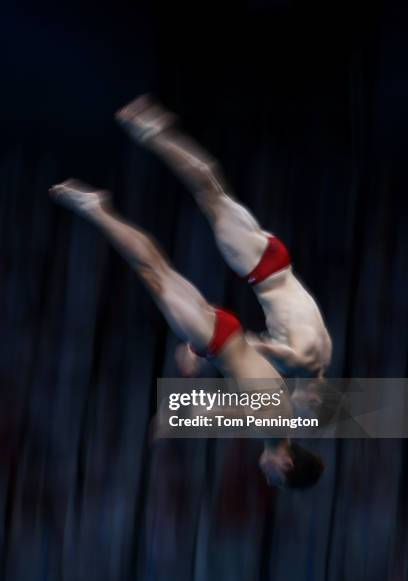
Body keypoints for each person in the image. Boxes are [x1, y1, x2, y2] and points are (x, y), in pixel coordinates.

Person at [49, 180, 324, 489]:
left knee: (155, 271)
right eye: (276, 479)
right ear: (287, 463)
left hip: (222, 337)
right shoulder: (273, 428)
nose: (269, 479)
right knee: (152, 271)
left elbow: (239, 394)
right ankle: (96, 209)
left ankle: (98, 210)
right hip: (216, 340)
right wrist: (176, 416)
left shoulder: (277, 425)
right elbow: (226, 411)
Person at [115, 96, 332, 398]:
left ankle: (154, 133)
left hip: (277, 264)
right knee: (210, 194)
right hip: (261, 271)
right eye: (307, 403)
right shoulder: (302, 364)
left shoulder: (325, 354)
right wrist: (197, 351)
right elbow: (255, 344)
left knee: (213, 191)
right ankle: (152, 133)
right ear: (315, 395)